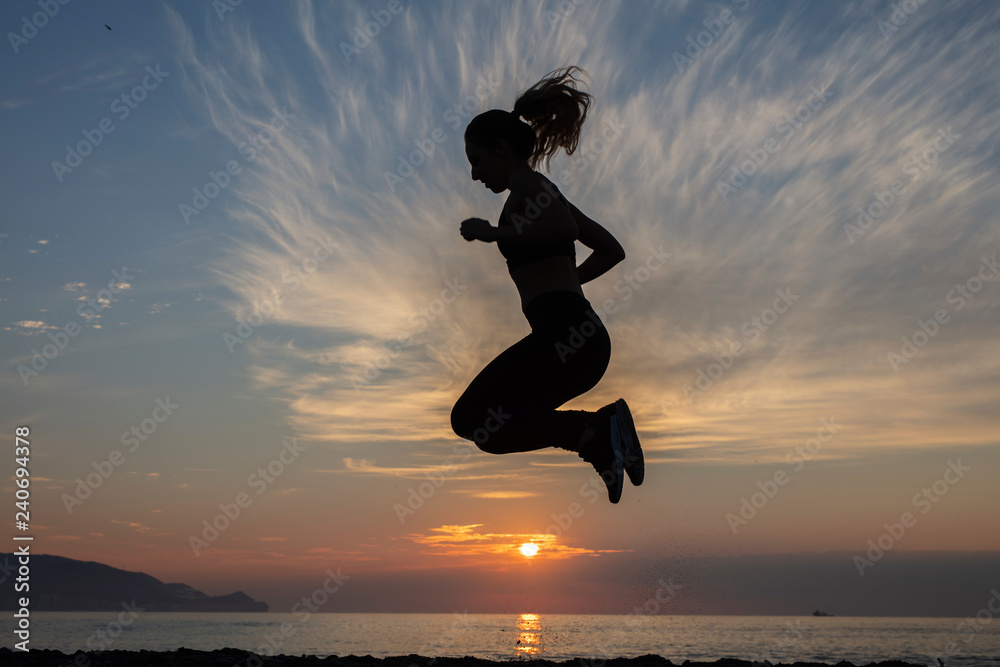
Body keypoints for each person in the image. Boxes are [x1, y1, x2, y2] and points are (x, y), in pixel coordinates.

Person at [450, 66, 643, 504]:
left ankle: (595, 433)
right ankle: (598, 430)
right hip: (578, 339)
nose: (475, 175)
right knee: (483, 422)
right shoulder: (543, 191)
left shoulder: (528, 185)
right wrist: (571, 282)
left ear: (501, 149)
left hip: (567, 338)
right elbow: (611, 249)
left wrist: (495, 233)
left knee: (473, 418)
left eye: (476, 160)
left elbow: (562, 229)